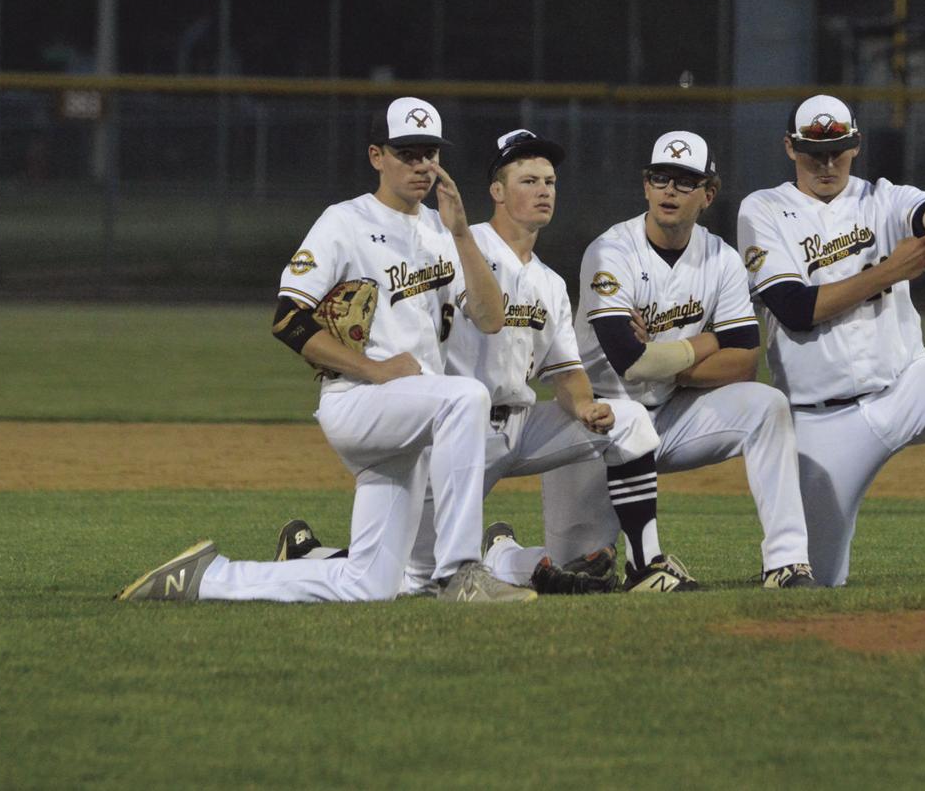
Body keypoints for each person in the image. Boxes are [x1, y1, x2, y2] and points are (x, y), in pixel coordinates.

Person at [115, 97, 535, 604]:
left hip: (409, 414)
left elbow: (490, 319)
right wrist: (374, 369)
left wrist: (464, 233)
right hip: (358, 399)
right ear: (376, 156)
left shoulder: (441, 230)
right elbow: (289, 320)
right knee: (466, 397)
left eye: (430, 153)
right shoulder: (345, 222)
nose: (422, 165)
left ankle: (205, 578)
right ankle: (462, 572)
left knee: (370, 584)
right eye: (407, 152)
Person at [279, 129, 663, 595]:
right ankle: (310, 557)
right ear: (496, 193)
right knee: (410, 577)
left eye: (550, 181)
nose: (543, 191)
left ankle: (646, 565)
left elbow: (564, 370)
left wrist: (584, 406)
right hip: (456, 434)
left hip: (520, 429)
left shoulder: (550, 282)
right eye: (528, 180)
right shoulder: (454, 247)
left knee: (629, 421)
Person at [735, 94, 925, 588]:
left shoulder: (881, 198)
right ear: (789, 149)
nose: (826, 162)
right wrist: (889, 272)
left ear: (856, 145)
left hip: (907, 388)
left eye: (837, 149)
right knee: (814, 583)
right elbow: (795, 309)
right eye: (813, 151)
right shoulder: (764, 209)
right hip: (823, 420)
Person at [503, 130, 815, 592]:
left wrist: (673, 361)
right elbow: (631, 362)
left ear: (708, 194)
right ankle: (501, 551)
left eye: (685, 182)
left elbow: (745, 362)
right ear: (646, 186)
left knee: (767, 405)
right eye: (660, 178)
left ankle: (787, 562)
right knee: (575, 571)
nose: (670, 190)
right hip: (596, 423)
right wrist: (708, 342)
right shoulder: (610, 252)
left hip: (672, 414)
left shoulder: (721, 259)